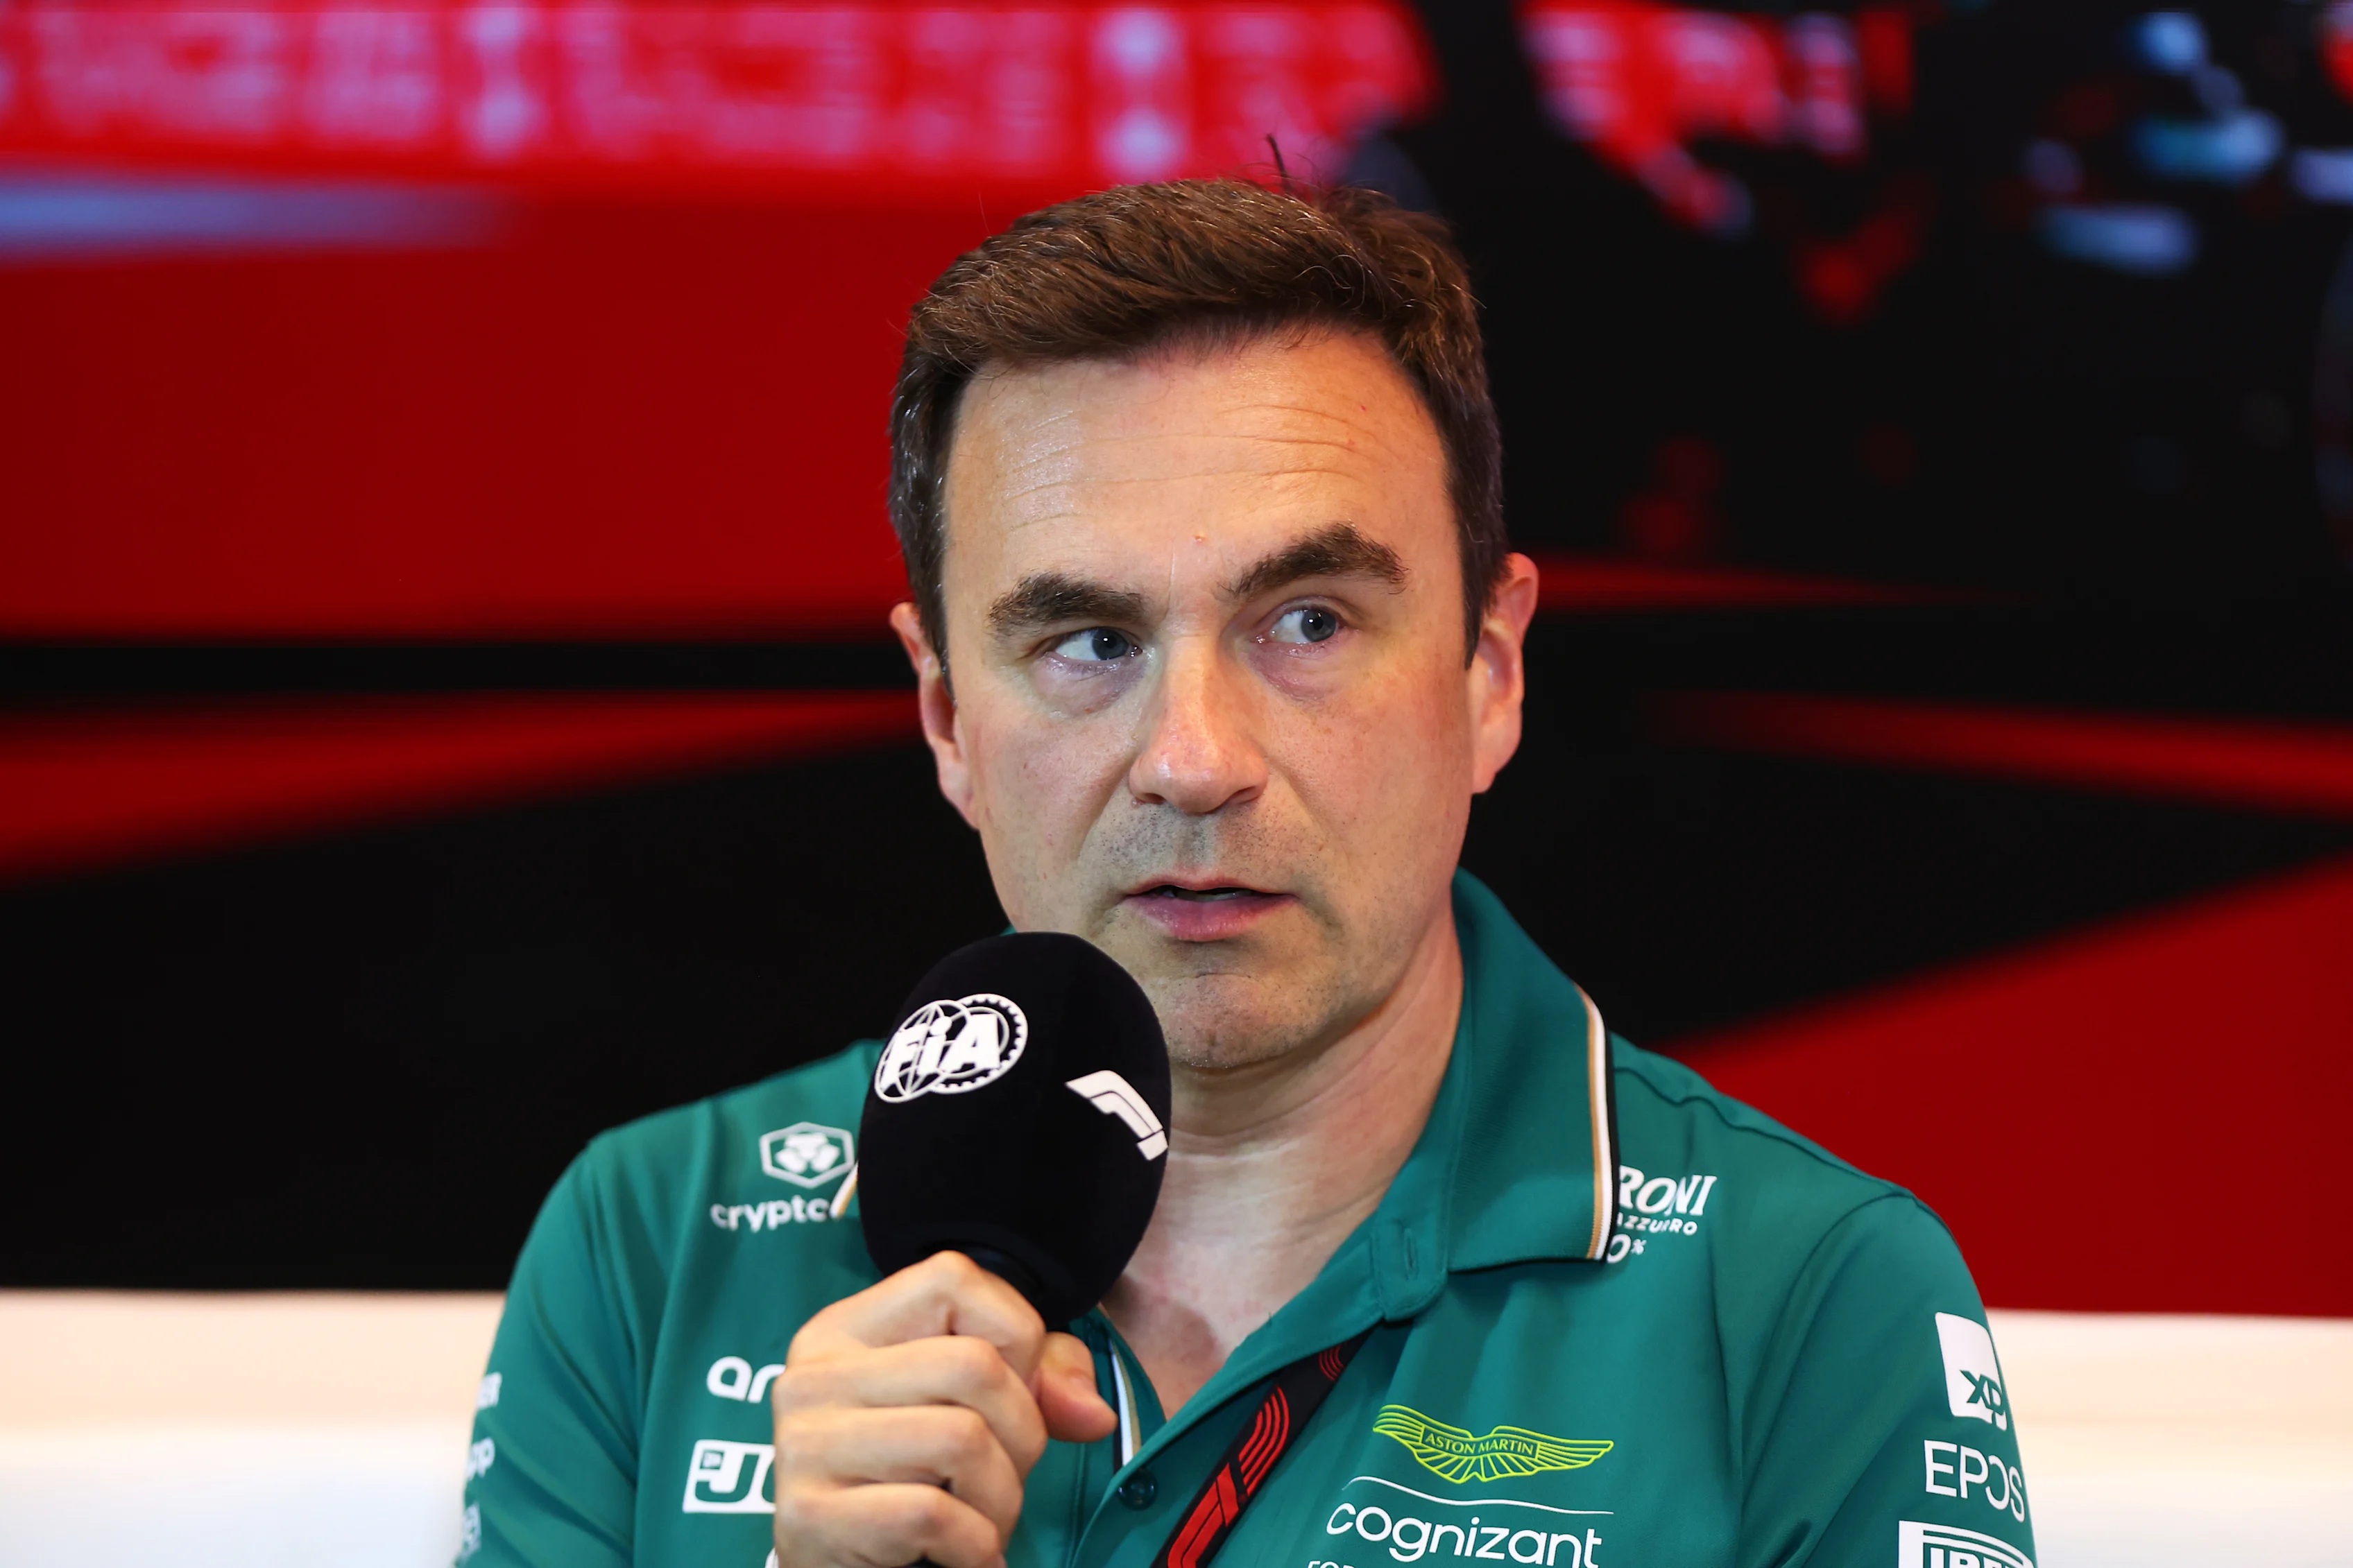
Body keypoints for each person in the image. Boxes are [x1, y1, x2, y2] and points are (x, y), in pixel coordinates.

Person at [459, 180, 2035, 1568]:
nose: (1194, 756)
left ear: (1489, 671)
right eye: (1087, 642)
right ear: (945, 715)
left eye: (1307, 623)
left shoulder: (1803, 1292)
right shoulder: (655, 1239)